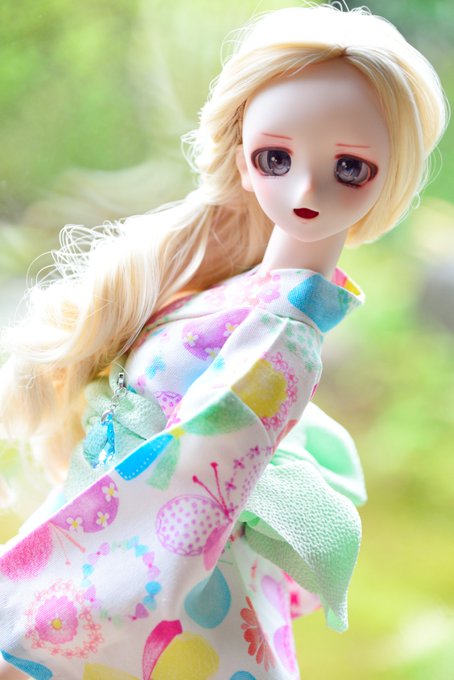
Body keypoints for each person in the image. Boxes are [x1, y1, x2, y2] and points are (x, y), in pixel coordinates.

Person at [0, 4, 447, 679]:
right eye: (276, 158)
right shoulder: (241, 289)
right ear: (243, 161)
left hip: (156, 596)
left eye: (351, 168)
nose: (306, 188)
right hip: (127, 558)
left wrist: (35, 616)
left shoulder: (283, 336)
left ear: (393, 178)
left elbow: (189, 490)